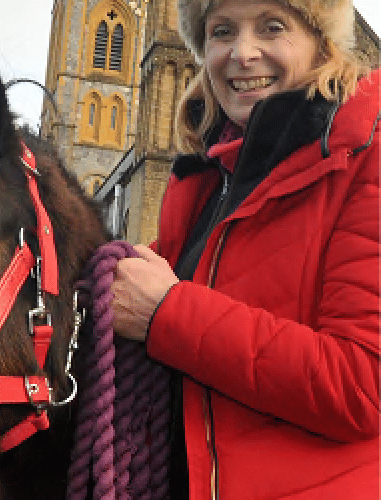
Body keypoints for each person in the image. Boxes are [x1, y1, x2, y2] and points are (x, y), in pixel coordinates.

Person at [110, 0, 379, 498]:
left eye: (272, 27)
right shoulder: (209, 176)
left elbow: (363, 387)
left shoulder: (368, 156)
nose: (243, 52)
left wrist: (168, 314)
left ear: (321, 40)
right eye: (222, 31)